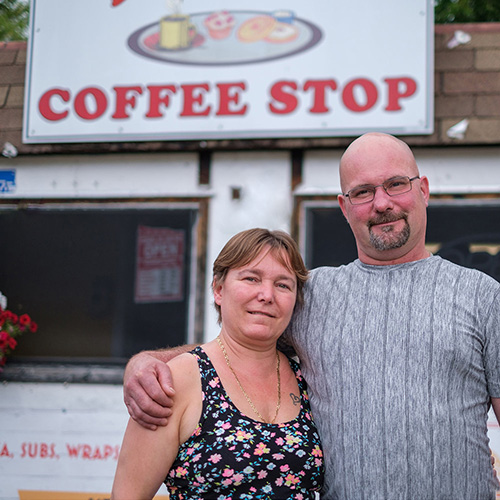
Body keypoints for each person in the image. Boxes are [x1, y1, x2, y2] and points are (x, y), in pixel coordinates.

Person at [123, 133, 500, 499]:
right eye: (363, 192)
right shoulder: (311, 296)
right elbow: (235, 351)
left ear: (424, 190)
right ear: (344, 206)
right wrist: (146, 363)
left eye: (396, 184)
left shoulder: (483, 297)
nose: (382, 203)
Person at [111, 228, 324, 499]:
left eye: (283, 284)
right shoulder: (175, 380)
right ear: (219, 289)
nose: (267, 295)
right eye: (251, 278)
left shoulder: (307, 378)